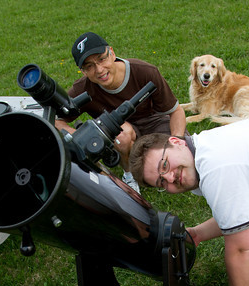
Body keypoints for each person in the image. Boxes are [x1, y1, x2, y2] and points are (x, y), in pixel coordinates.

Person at [129, 115, 249, 286]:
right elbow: (237, 208)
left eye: (165, 165)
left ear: (176, 141)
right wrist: (199, 233)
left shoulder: (217, 168)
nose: (170, 178)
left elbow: (242, 248)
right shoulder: (206, 147)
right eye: (162, 182)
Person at [55, 32, 186, 193]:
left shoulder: (145, 71)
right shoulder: (82, 89)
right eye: (89, 66)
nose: (99, 70)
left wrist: (176, 141)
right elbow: (56, 120)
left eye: (102, 59)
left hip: (153, 122)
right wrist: (82, 136)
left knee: (185, 156)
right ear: (83, 71)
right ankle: (129, 175)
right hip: (119, 131)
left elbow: (176, 112)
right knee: (122, 135)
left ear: (112, 53)